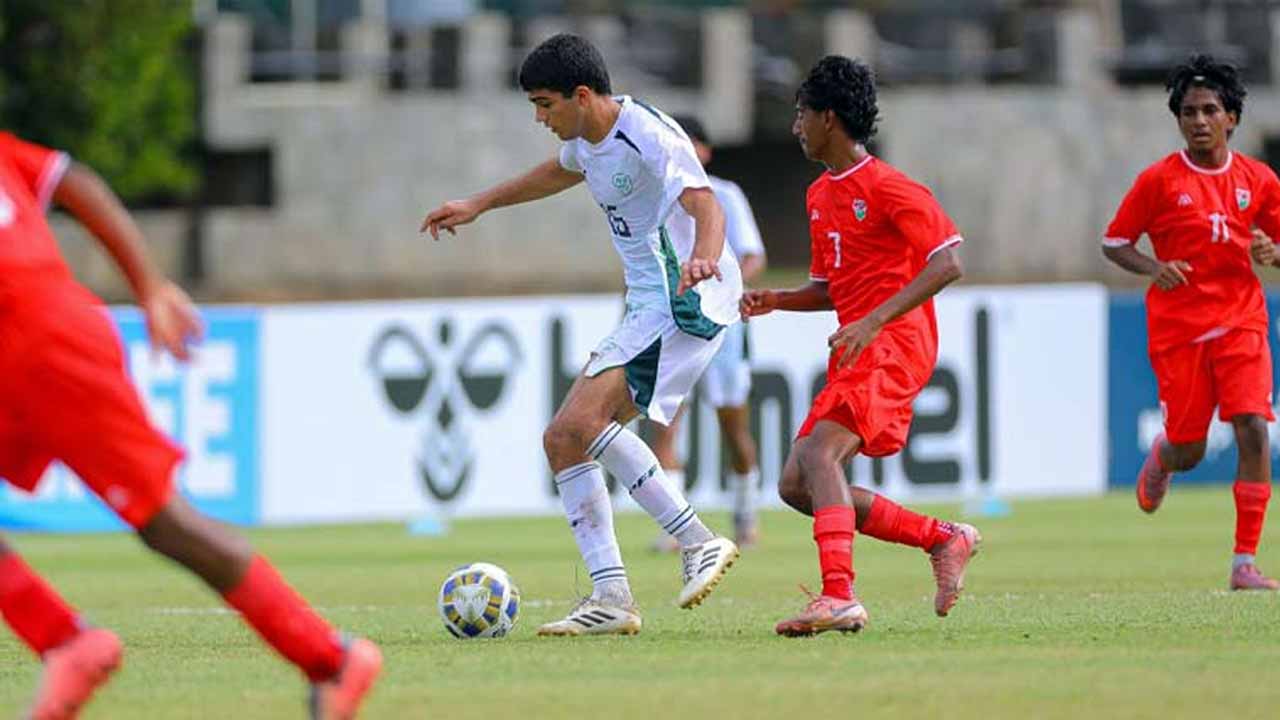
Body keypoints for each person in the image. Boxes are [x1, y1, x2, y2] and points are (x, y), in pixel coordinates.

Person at [0, 131, 381, 719]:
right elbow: (74, 181)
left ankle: (332, 660)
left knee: (166, 524)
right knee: (166, 525)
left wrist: (150, 287)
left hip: (48, 347)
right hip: (28, 344)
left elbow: (73, 182)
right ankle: (64, 641)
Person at [422, 34, 743, 636]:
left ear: (583, 95)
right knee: (565, 440)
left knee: (577, 425)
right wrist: (479, 203)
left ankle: (697, 540)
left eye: (545, 105)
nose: (540, 119)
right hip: (649, 302)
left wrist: (703, 257)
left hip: (682, 299)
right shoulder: (587, 141)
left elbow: (707, 204)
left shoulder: (648, 134)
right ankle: (612, 595)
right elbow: (557, 172)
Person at [740, 56, 981, 637]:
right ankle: (942, 538)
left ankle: (839, 595)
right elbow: (831, 289)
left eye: (801, 114)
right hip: (860, 345)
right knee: (797, 484)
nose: (795, 127)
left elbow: (948, 263)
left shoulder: (891, 187)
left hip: (896, 343)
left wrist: (872, 322)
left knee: (821, 456)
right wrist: (778, 299)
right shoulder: (819, 195)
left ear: (828, 117)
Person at [1103, 54, 1280, 591]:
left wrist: (1274, 253)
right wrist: (1153, 268)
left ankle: (1244, 563)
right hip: (1179, 330)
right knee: (1191, 449)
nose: (1199, 120)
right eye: (1188, 112)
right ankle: (1164, 456)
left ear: (1232, 118)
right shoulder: (1159, 181)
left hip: (1242, 320)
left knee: (1253, 427)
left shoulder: (1259, 180)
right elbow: (1115, 242)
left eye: (1209, 110)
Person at [649, 114, 767, 550]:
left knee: (733, 427)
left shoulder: (725, 195)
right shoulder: (657, 195)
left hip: (722, 327)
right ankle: (676, 529)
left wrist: (726, 289)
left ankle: (745, 512)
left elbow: (753, 255)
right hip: (672, 322)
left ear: (705, 150)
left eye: (689, 142)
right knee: (665, 425)